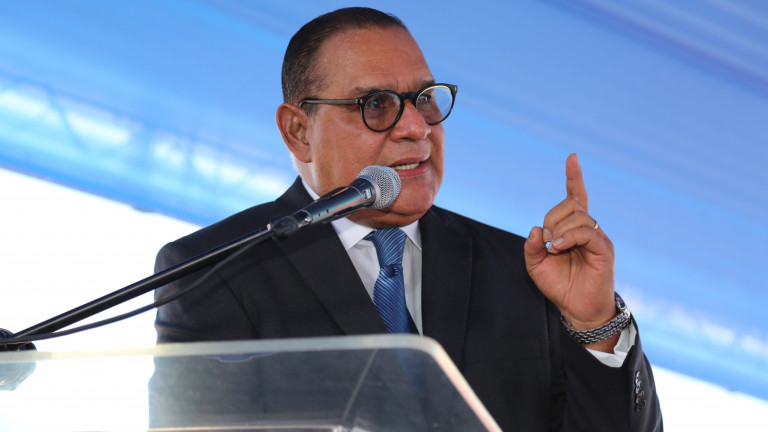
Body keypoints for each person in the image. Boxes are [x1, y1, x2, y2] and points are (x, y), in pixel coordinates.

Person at [152, 7, 662, 431]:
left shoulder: (527, 272)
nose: (417, 127)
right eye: (376, 105)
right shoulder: (214, 271)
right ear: (299, 131)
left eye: (424, 99)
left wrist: (595, 324)